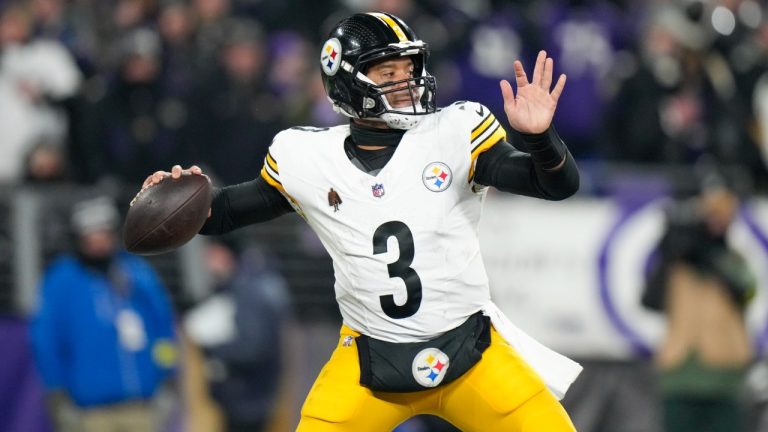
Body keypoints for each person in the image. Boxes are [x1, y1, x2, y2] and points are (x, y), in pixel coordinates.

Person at [140, 12, 581, 431]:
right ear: (348, 83)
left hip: (473, 352)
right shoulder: (307, 158)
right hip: (369, 363)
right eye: (388, 74)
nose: (406, 82)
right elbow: (226, 213)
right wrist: (180, 197)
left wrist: (540, 138)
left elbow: (555, 185)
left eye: (409, 68)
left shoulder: (454, 132)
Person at [29, 195, 179, 432]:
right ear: (78, 236)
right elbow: (46, 341)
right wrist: (57, 392)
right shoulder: (61, 280)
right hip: (90, 411)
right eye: (90, 233)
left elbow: (163, 329)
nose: (98, 240)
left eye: (103, 231)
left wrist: (167, 376)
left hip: (141, 405)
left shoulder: (137, 272)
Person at [642, 181, 756, 432]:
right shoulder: (677, 266)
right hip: (680, 374)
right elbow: (649, 300)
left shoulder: (735, 259)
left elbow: (746, 292)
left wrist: (710, 257)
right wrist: (668, 253)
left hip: (724, 376)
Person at [184, 239, 293, 432]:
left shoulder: (247, 291)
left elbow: (251, 347)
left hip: (249, 399)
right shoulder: (236, 288)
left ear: (227, 255)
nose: (207, 262)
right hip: (244, 397)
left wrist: (213, 349)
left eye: (213, 255)